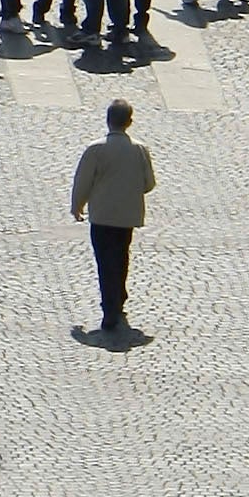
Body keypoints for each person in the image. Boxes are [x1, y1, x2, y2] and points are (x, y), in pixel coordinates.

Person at [72, 95, 156, 334]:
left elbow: (83, 181)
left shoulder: (96, 149)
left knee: (104, 261)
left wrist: (77, 205)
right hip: (127, 216)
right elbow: (148, 183)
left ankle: (109, 308)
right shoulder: (140, 150)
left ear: (108, 120)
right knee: (121, 258)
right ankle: (118, 300)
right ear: (129, 122)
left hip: (101, 215)